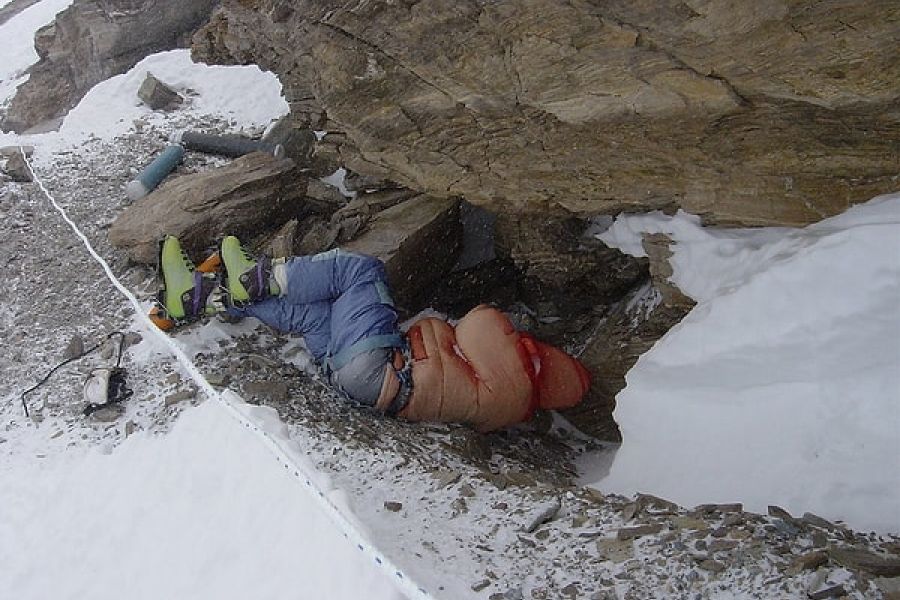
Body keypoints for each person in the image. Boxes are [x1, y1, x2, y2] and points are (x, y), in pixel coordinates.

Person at [152, 235, 591, 432]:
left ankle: (258, 279)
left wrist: (505, 333)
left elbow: (478, 320)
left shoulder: (514, 374)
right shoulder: (506, 408)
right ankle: (196, 297)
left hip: (375, 370)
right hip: (354, 379)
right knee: (314, 314)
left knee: (359, 270)